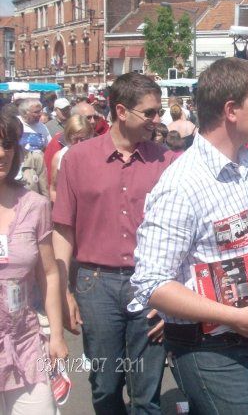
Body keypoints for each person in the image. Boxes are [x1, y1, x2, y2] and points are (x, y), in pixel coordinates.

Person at [130, 57, 248, 415]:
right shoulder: (182, 185)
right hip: (207, 348)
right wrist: (232, 317)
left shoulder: (247, 165)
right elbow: (151, 284)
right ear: (231, 110)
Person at [52, 72, 176, 414]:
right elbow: (64, 229)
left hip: (150, 283)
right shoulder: (77, 159)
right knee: (106, 386)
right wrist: (63, 291)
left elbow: (182, 234)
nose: (157, 120)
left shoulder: (167, 161)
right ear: (121, 111)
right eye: (149, 113)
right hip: (96, 284)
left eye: (158, 112)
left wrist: (175, 298)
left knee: (146, 391)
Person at [0, 112, 68, 413]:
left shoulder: (34, 206)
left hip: (24, 342)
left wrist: (56, 335)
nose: (1, 153)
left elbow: (50, 275)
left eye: (7, 144)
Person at [43, 101, 97, 188]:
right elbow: (51, 180)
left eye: (95, 117)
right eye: (88, 118)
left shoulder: (99, 139)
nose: (93, 121)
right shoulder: (58, 141)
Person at [49, 115, 94, 203]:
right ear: (68, 136)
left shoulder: (97, 155)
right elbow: (54, 189)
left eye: (83, 139)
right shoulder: (59, 157)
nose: (79, 143)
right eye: (75, 139)